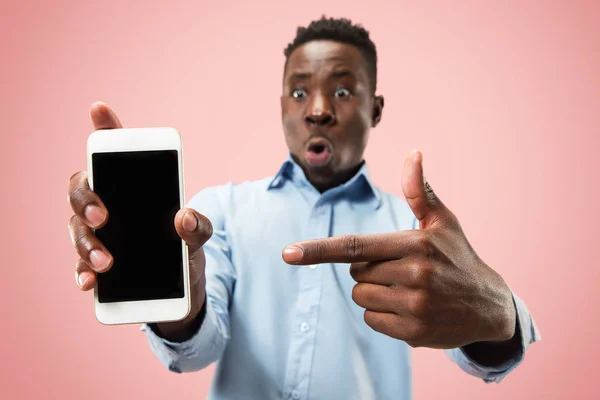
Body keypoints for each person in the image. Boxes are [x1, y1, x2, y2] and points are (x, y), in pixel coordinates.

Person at [67, 16, 540, 400]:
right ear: (282, 108)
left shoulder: (413, 228)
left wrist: (500, 317)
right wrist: (181, 302)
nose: (317, 109)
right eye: (298, 93)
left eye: (341, 90)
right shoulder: (217, 214)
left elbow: (479, 349)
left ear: (375, 109)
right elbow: (194, 354)